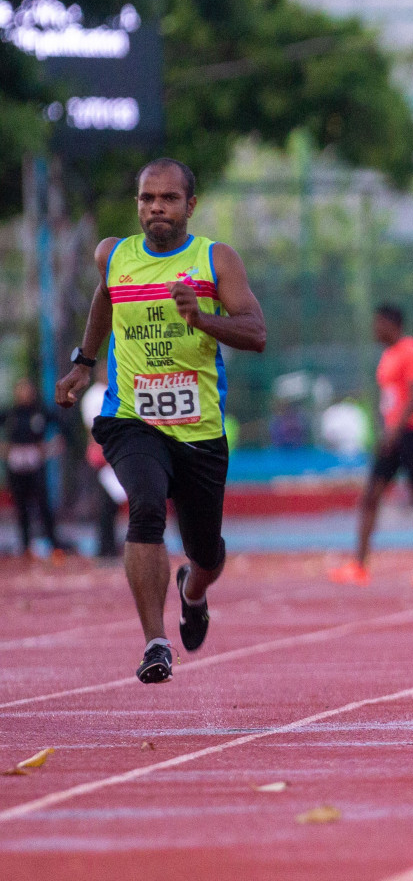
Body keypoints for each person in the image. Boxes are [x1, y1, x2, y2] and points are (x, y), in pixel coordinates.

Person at [56, 157, 266, 684]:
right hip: (132, 417)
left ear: (190, 206)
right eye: (148, 199)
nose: (157, 208)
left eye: (169, 199)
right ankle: (155, 643)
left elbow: (256, 332)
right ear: (138, 205)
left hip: (199, 430)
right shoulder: (114, 254)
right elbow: (105, 301)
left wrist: (202, 318)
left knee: (207, 553)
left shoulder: (216, 260)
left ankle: (192, 590)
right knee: (144, 506)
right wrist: (84, 364)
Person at [331, 306, 413, 588]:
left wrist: (395, 430)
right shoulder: (387, 356)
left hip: (412, 434)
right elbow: (391, 398)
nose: (374, 330)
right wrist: (387, 430)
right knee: (371, 496)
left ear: (391, 324)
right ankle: (359, 565)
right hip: (392, 435)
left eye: (378, 324)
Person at [3, 378, 73, 559]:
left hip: (35, 461)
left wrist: (51, 448)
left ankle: (53, 544)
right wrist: (5, 449)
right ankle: (25, 546)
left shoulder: (40, 411)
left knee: (43, 504)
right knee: (21, 506)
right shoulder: (11, 413)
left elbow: (64, 429)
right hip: (16, 462)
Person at [80, 362, 124, 558]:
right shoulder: (95, 396)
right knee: (106, 504)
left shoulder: (111, 393)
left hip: (111, 453)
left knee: (112, 505)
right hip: (103, 455)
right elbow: (93, 429)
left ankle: (110, 544)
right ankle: (105, 547)